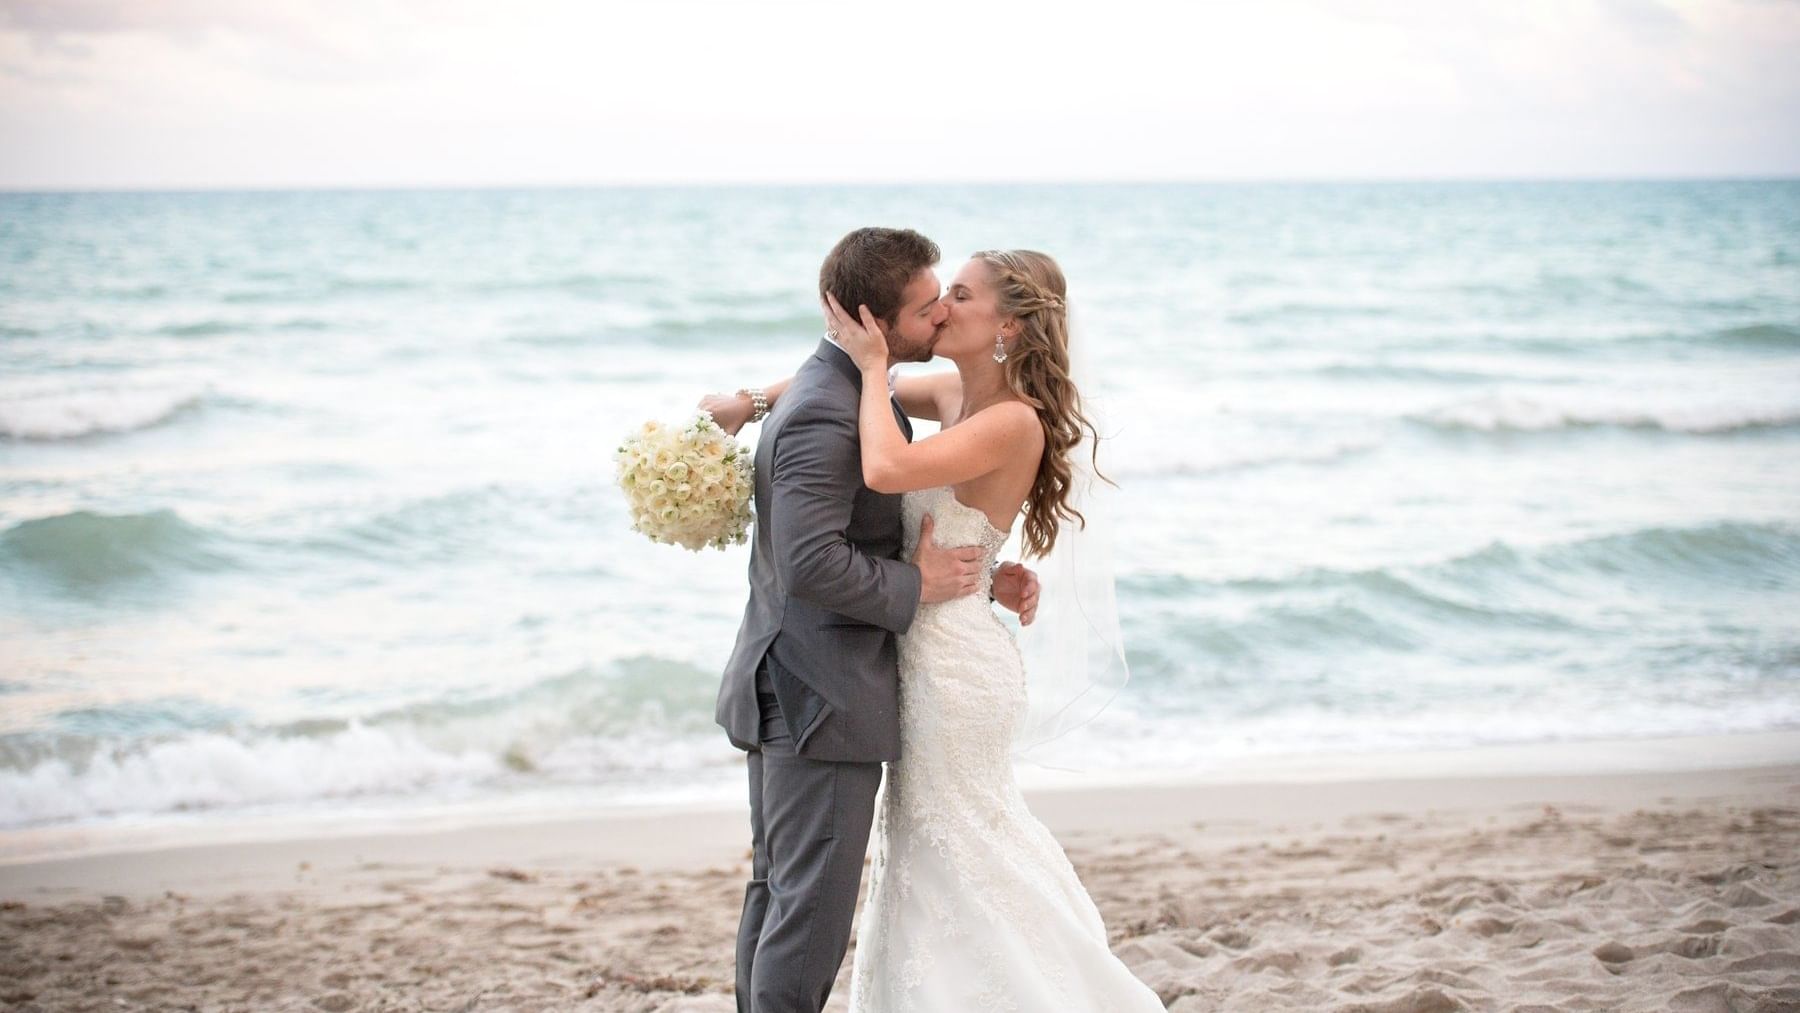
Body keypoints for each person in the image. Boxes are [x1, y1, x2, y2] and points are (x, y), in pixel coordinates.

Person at [716, 245, 1162, 1010]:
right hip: (916, 648)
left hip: (954, 670)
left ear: (1011, 327)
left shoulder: (1015, 421)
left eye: (959, 294)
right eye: (939, 295)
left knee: (963, 847)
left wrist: (867, 365)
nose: (943, 308)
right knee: (924, 857)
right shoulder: (953, 388)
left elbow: (886, 469)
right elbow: (848, 382)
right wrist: (750, 402)